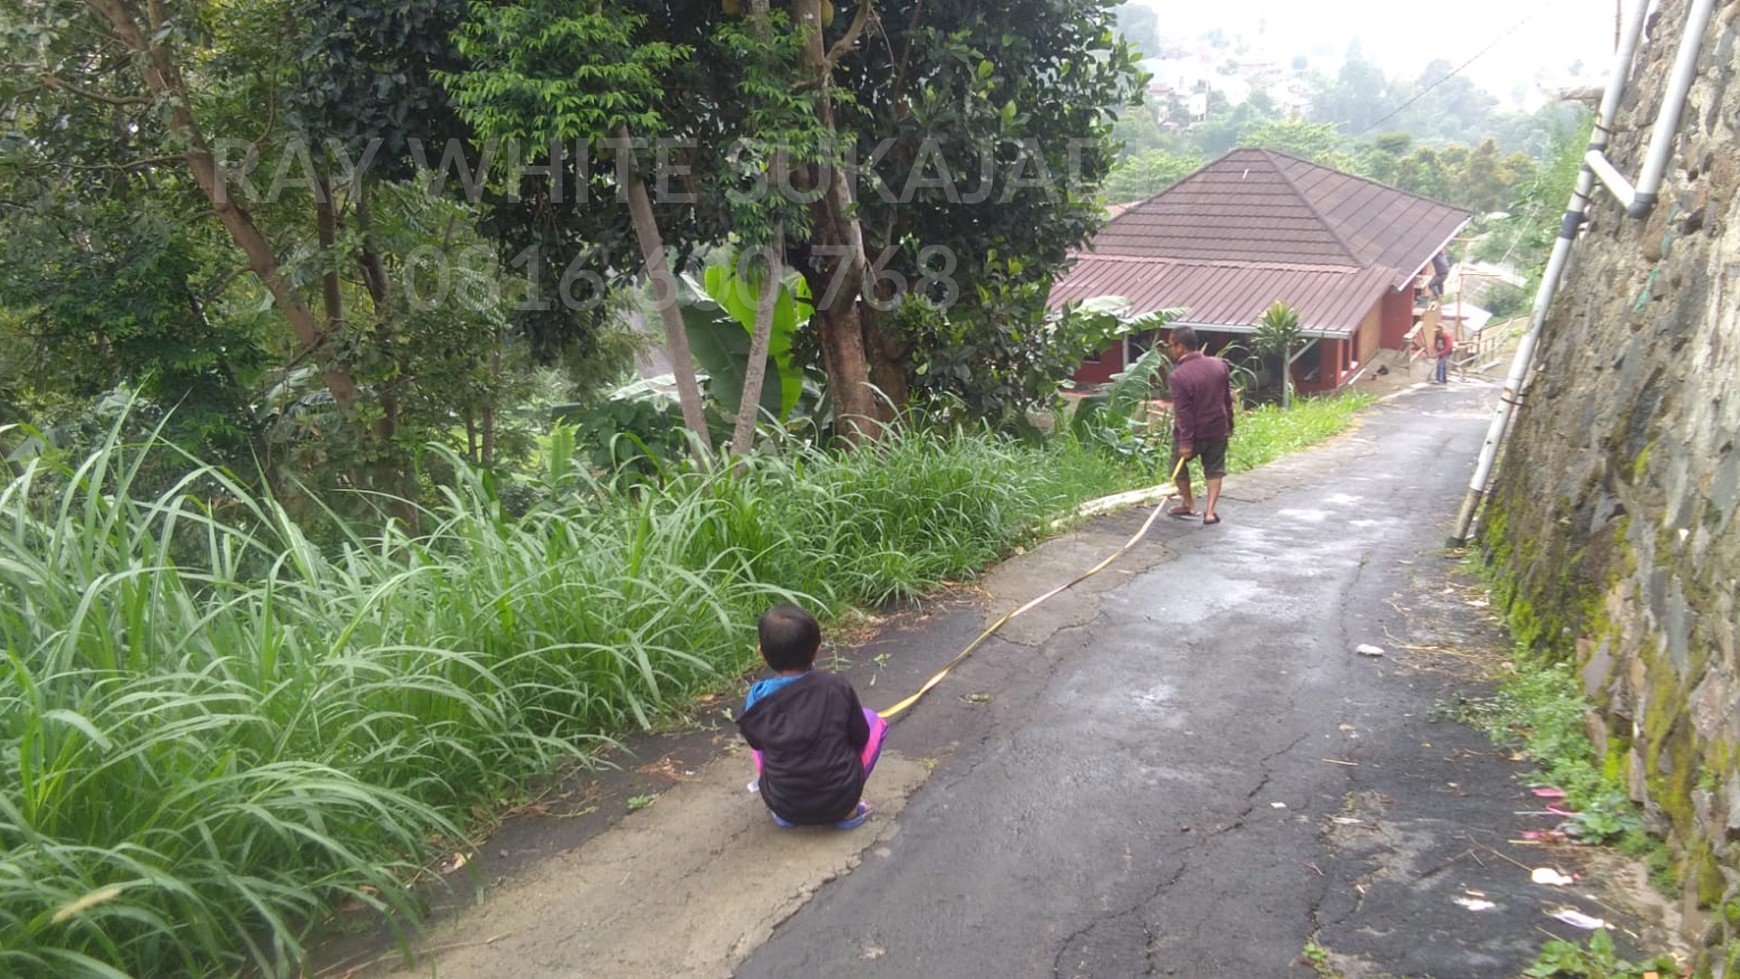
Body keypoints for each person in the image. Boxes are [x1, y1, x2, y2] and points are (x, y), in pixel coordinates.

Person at [738, 603, 886, 829]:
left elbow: (756, 742)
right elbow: (861, 736)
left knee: (761, 745)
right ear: (817, 650)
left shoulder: (758, 697)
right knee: (873, 720)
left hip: (782, 803)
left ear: (761, 652)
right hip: (840, 799)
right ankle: (850, 812)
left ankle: (788, 816)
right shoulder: (836, 687)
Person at [1165, 325, 1235, 526]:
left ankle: (1189, 504)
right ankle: (1210, 512)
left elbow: (1183, 413)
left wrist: (1185, 443)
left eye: (1171, 345)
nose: (1170, 350)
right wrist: (1229, 423)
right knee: (1214, 468)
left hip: (1194, 433)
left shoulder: (1179, 375)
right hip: (1217, 428)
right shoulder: (1218, 364)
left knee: (1176, 468)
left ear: (1180, 347)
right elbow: (1226, 400)